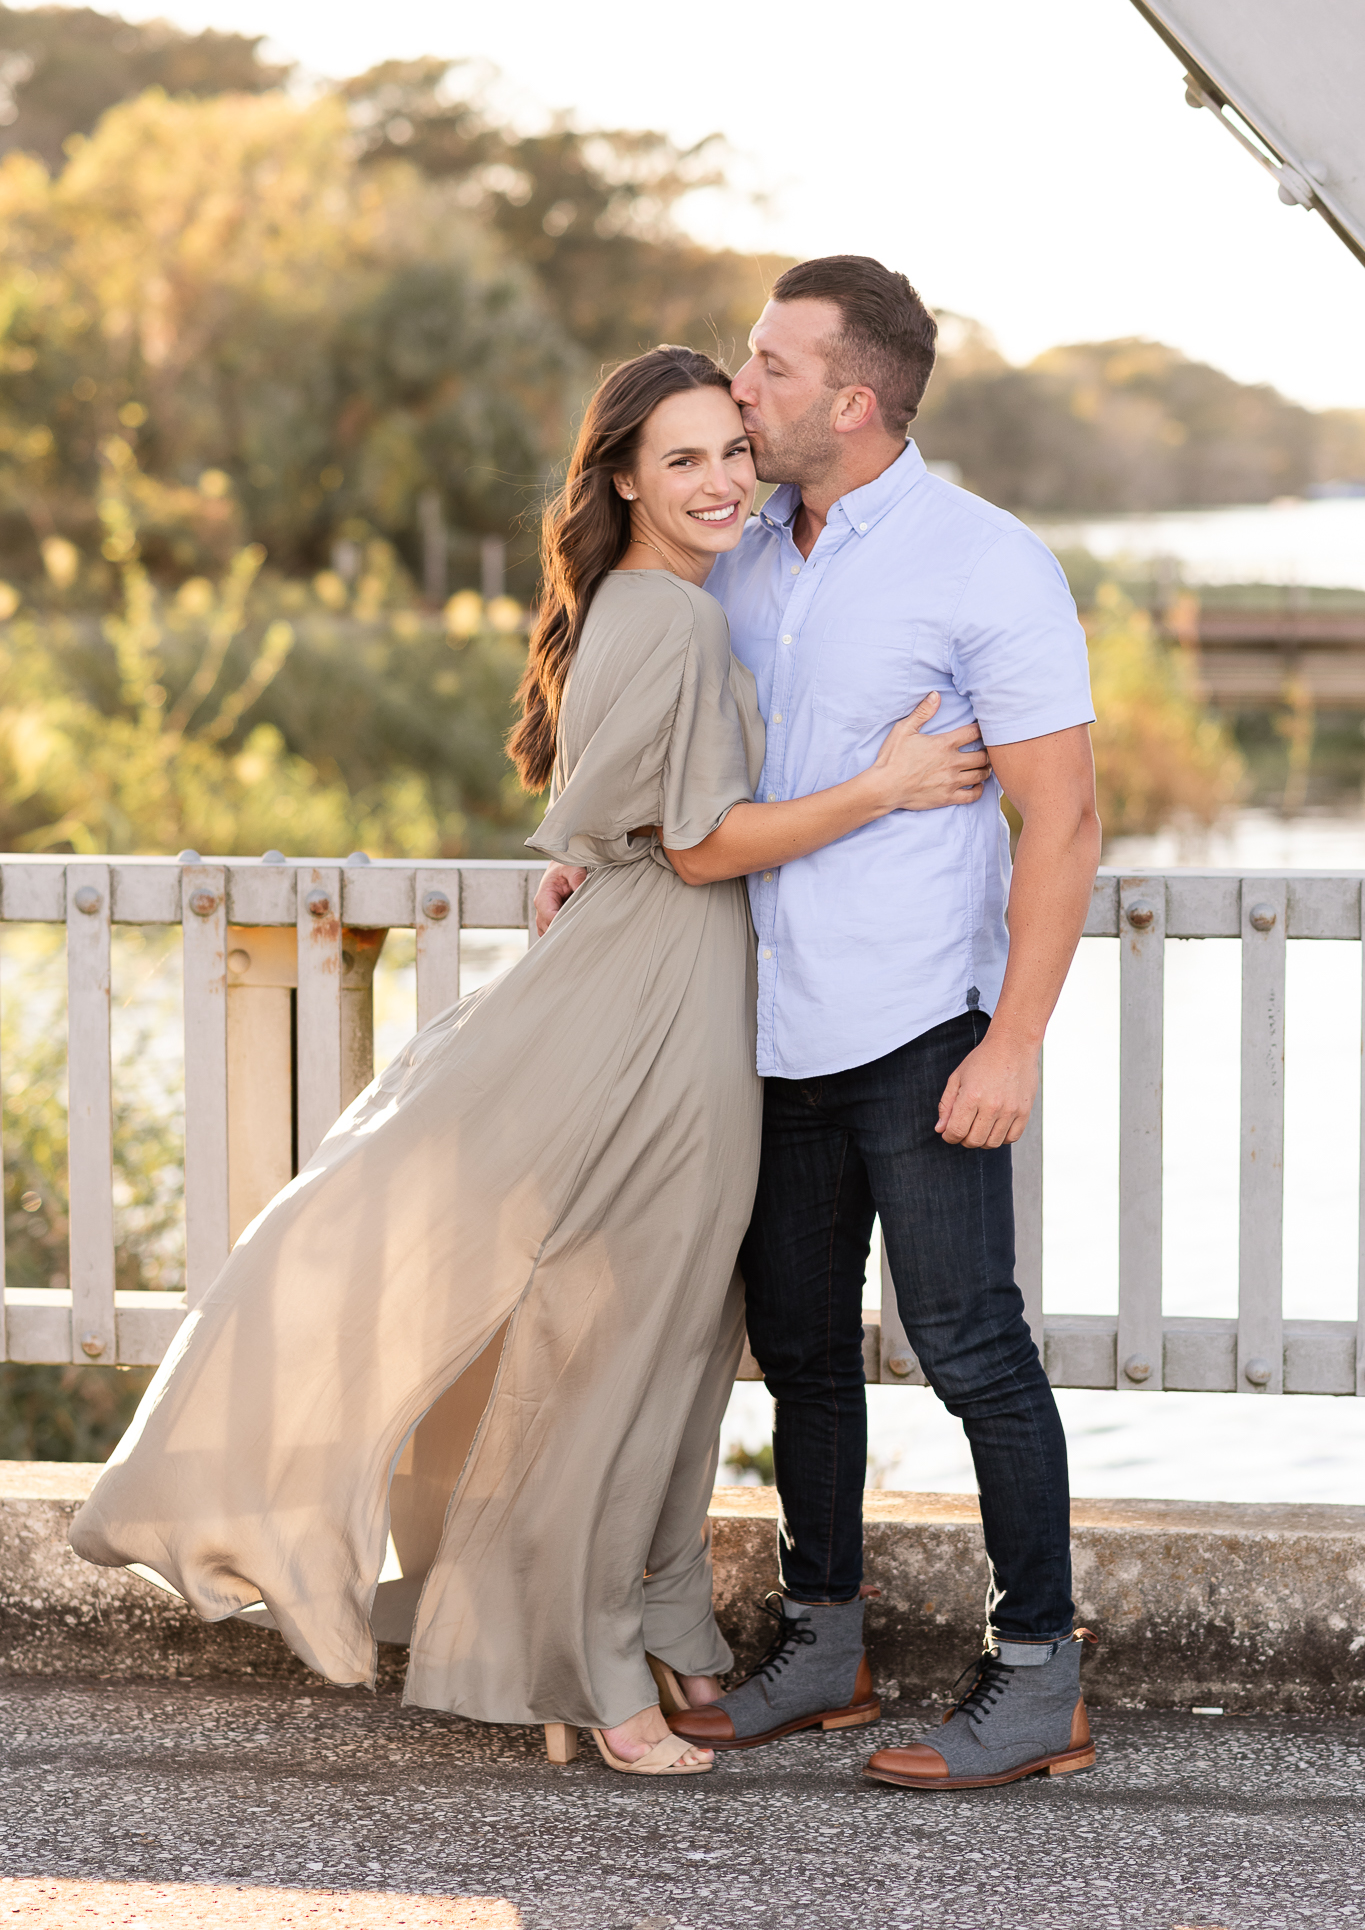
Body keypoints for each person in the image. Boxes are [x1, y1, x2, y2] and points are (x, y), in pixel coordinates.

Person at [69, 344, 986, 1781]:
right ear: (619, 474)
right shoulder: (670, 619)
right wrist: (883, 787)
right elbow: (692, 844)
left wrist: (592, 863)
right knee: (632, 1342)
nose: (720, 481)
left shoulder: (652, 602)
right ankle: (595, 1669)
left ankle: (660, 1635)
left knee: (657, 1334)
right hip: (656, 996)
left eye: (732, 452)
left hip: (656, 978)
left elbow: (611, 820)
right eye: (681, 459)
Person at [537, 258, 1104, 1791]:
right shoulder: (737, 553)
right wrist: (584, 863)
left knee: (973, 1348)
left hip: (918, 1023)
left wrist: (1016, 1039)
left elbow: (1062, 823)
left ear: (851, 401)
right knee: (799, 1357)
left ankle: (1037, 1675)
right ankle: (826, 1644)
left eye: (771, 368)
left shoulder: (986, 563)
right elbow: (664, 766)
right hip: (751, 1027)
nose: (741, 385)